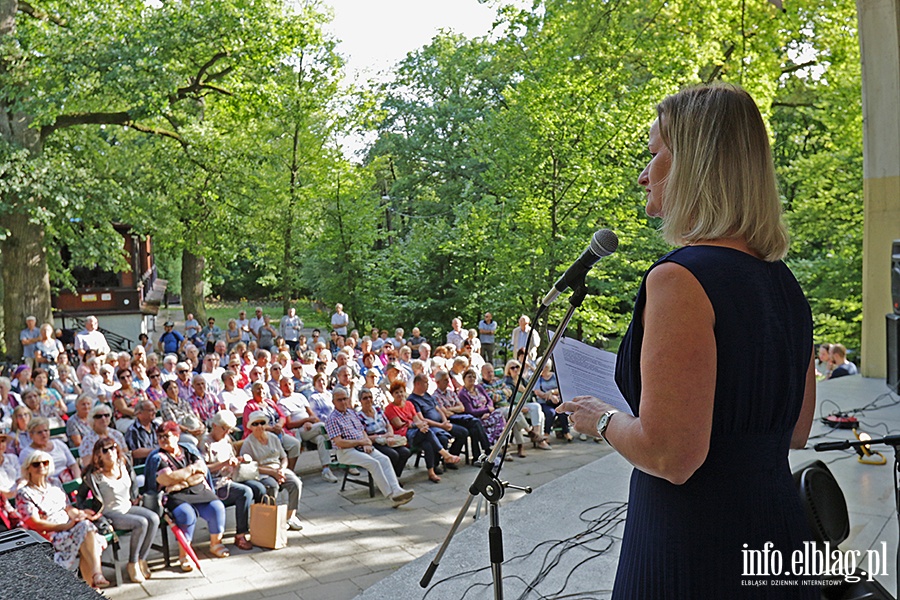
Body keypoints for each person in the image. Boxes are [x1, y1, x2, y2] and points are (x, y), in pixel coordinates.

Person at [559, 84, 817, 598]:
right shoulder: (784, 282)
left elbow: (671, 456)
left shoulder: (679, 279)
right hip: (780, 538)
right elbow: (795, 431)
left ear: (694, 164)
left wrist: (601, 419)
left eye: (654, 153)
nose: (643, 173)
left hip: (697, 548)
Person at [17, 450, 109, 588]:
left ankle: (93, 585)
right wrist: (65, 526)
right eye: (36, 464)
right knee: (85, 531)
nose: (41, 466)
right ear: (28, 468)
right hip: (48, 536)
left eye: (45, 463)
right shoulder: (25, 493)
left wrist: (79, 513)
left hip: (70, 527)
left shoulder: (54, 482)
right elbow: (35, 523)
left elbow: (67, 508)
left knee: (84, 530)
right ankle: (96, 576)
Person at [144, 421, 230, 570]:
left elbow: (201, 471)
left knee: (217, 507)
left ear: (177, 436)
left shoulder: (189, 450)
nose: (163, 439)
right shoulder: (158, 458)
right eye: (160, 437)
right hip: (174, 496)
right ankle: (185, 554)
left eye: (167, 436)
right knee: (186, 515)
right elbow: (166, 479)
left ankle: (216, 544)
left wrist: (180, 480)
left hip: (197, 490)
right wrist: (190, 471)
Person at [82, 437, 159, 583]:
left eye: (112, 448)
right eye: (105, 450)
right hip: (110, 513)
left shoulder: (123, 463)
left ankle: (141, 559)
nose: (110, 452)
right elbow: (81, 497)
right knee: (141, 523)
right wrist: (88, 512)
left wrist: (135, 496)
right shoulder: (93, 475)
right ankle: (132, 563)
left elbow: (133, 481)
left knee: (153, 518)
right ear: (98, 455)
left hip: (127, 507)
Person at [325, 387, 414, 506]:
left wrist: (366, 441)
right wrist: (361, 442)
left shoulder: (351, 413)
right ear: (333, 402)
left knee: (384, 459)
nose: (343, 402)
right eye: (339, 400)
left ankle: (397, 489)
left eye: (345, 399)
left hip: (361, 445)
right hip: (346, 451)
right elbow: (339, 442)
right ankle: (391, 496)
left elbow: (362, 431)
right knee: (374, 463)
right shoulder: (332, 419)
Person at [199, 410, 261, 551]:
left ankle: (259, 529)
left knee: (259, 488)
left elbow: (231, 458)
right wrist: (225, 463)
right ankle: (240, 534)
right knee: (245, 492)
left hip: (231, 477)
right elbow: (203, 469)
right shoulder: (205, 443)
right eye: (224, 429)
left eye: (229, 430)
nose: (227, 433)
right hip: (215, 483)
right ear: (214, 426)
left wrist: (238, 460)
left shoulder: (226, 440)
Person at [384, 380, 460, 483]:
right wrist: (417, 425)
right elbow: (399, 424)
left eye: (401, 392)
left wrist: (421, 425)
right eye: (396, 392)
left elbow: (416, 419)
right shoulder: (390, 408)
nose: (400, 394)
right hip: (403, 435)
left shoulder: (409, 404)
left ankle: (431, 472)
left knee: (427, 443)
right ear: (392, 394)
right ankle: (446, 455)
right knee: (427, 432)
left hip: (415, 432)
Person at [242, 410, 304, 531]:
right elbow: (249, 467)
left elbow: (284, 456)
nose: (259, 426)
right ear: (251, 427)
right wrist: (272, 473)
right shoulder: (248, 443)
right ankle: (272, 517)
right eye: (255, 424)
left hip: (278, 469)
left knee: (296, 483)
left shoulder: (273, 438)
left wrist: (282, 469)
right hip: (262, 473)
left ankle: (290, 516)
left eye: (261, 423)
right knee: (271, 486)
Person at [277, 377, 338, 483]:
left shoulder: (300, 396)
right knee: (322, 427)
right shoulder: (281, 402)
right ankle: (338, 442)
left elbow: (312, 415)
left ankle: (326, 470)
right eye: (285, 385)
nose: (288, 387)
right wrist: (306, 421)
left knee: (321, 439)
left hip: (310, 427)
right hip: (297, 431)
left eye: (290, 384)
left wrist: (310, 422)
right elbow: (290, 424)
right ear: (281, 387)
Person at [407, 374, 469, 466]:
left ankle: (451, 457)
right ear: (417, 384)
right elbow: (422, 419)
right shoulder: (412, 400)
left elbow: (438, 409)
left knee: (463, 432)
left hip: (441, 423)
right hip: (431, 427)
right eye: (425, 383)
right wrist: (441, 426)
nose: (428, 384)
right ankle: (435, 465)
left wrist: (444, 421)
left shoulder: (427, 395)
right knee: (442, 439)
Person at [356, 388, 411, 477]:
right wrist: (382, 437)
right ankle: (389, 479)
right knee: (393, 455)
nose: (368, 400)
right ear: (360, 401)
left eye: (370, 397)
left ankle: (394, 477)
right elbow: (364, 436)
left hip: (386, 437)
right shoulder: (359, 416)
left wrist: (390, 435)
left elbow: (388, 425)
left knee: (405, 452)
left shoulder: (377, 409)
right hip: (374, 441)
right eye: (365, 398)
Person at [18, 417, 81, 482]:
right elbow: (25, 475)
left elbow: (73, 464)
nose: (44, 434)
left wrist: (78, 480)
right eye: (39, 432)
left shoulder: (58, 443)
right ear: (31, 435)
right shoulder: (26, 453)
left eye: (46, 430)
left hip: (68, 479)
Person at [457, 368, 506, 446]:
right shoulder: (463, 394)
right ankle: (494, 444)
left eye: (473, 376)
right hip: (477, 418)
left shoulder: (478, 387)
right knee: (492, 420)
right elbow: (470, 411)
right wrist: (486, 410)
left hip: (487, 414)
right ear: (464, 379)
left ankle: (500, 443)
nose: (472, 378)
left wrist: (489, 409)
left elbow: (489, 400)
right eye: (469, 377)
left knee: (499, 415)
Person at [160, 379, 205, 445]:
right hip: (178, 431)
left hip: (192, 426)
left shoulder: (184, 401)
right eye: (170, 389)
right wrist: (189, 431)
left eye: (175, 388)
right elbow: (174, 424)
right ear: (166, 392)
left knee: (206, 437)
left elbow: (193, 415)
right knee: (193, 441)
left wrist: (201, 425)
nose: (173, 390)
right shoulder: (165, 405)